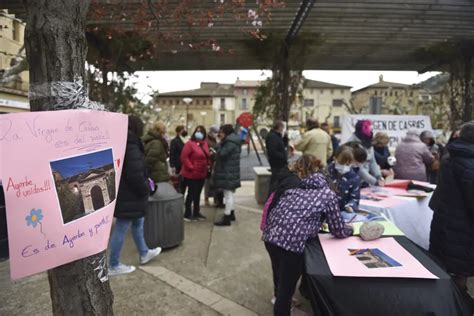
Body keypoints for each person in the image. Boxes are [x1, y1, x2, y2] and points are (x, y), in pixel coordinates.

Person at [262, 155, 353, 316]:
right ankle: (283, 307)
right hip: (290, 244)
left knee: (279, 276)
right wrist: (350, 230)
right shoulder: (328, 195)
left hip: (270, 238)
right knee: (287, 288)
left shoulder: (294, 190)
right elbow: (338, 230)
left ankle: (281, 300)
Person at [429, 121, 474, 310]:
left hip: (445, 219)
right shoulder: (469, 162)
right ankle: (459, 306)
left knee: (447, 266)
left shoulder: (450, 156)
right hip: (463, 226)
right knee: (459, 271)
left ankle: (448, 304)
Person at [109, 116, 161, 276]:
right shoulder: (131, 145)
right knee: (122, 227)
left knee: (138, 222)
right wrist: (146, 188)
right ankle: (113, 264)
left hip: (129, 194)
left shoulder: (125, 141)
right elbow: (135, 174)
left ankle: (144, 253)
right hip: (130, 194)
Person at [180, 125, 210, 221]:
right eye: (197, 131)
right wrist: (191, 166)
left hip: (201, 173)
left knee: (198, 194)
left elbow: (207, 156)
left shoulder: (204, 144)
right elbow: (184, 157)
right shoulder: (189, 144)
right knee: (191, 193)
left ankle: (196, 212)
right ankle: (187, 213)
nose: (199, 133)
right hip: (191, 173)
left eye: (201, 131)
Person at [213, 124, 242, 226]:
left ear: (226, 132)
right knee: (230, 194)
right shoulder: (233, 140)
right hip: (231, 171)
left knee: (228, 194)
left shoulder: (229, 142)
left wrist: (218, 144)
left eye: (221, 132)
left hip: (228, 172)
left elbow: (222, 154)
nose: (219, 134)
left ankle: (227, 217)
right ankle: (231, 213)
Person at [347, 120, 383, 186]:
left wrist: (378, 176)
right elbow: (358, 168)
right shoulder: (352, 144)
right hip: (354, 180)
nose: (371, 131)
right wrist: (374, 181)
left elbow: (372, 162)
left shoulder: (368, 142)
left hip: (366, 180)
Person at [327, 146, 361, 215]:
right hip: (325, 211)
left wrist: (350, 206)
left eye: (348, 164)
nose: (344, 166)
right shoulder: (326, 172)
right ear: (335, 158)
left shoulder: (354, 177)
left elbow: (355, 198)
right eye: (341, 163)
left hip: (342, 211)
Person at [266, 120, 288, 193]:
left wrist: (285, 138)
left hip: (279, 162)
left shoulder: (277, 136)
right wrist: (283, 157)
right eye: (282, 127)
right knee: (275, 182)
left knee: (277, 181)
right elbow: (273, 151)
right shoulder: (272, 136)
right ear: (279, 127)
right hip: (277, 163)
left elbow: (282, 146)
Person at [169, 125, 187, 193]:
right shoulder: (175, 141)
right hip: (178, 164)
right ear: (178, 132)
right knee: (178, 182)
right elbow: (172, 153)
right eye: (182, 130)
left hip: (184, 165)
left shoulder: (186, 140)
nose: (184, 131)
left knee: (184, 183)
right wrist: (172, 165)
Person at [204, 125, 219, 206]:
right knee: (208, 182)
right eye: (215, 132)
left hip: (215, 163)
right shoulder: (207, 141)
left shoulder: (216, 140)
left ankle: (215, 198)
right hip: (209, 163)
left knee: (215, 182)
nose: (216, 134)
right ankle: (206, 198)